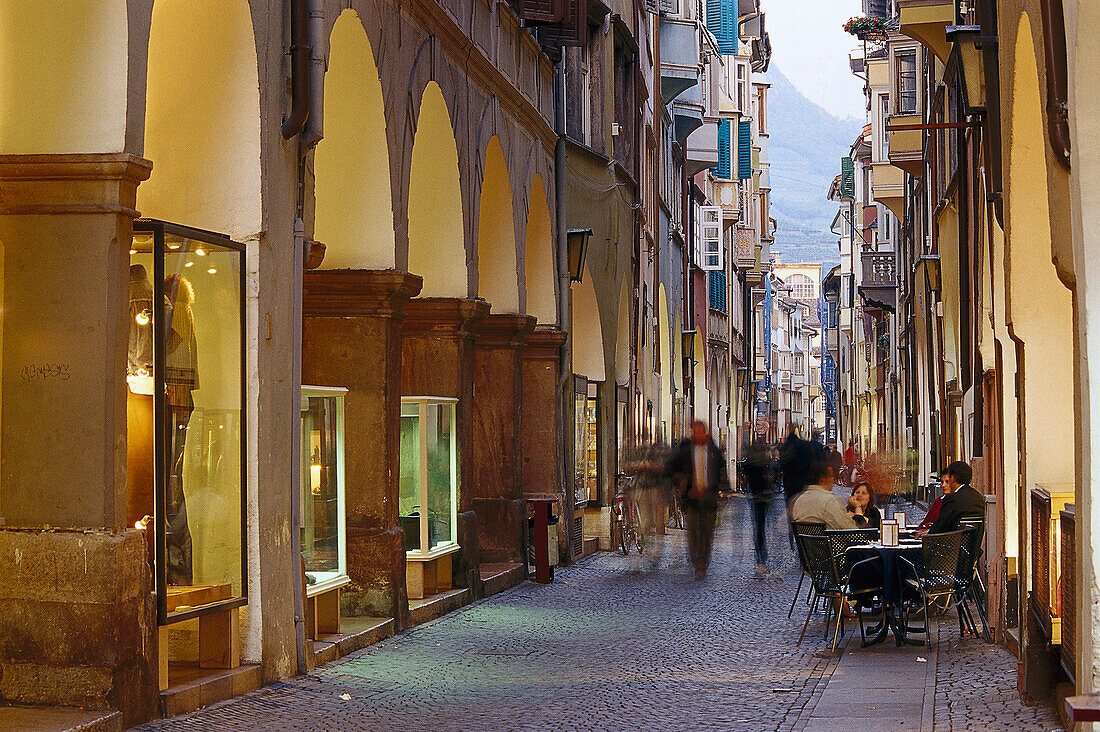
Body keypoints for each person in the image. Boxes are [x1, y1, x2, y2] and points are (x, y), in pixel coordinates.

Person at [668, 421, 730, 579]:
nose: (699, 435)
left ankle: (703, 562)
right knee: (694, 534)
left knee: (707, 533)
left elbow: (721, 472)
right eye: (696, 432)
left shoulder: (714, 452)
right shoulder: (686, 452)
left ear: (705, 433)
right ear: (693, 434)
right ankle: (697, 562)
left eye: (701, 432)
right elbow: (672, 469)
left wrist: (722, 491)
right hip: (692, 499)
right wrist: (681, 484)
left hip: (709, 499)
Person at [788, 445, 858, 530]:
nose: (832, 480)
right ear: (822, 479)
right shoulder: (830, 501)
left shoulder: (796, 501)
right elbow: (850, 530)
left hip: (805, 543)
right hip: (830, 542)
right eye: (831, 476)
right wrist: (859, 511)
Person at [923, 461, 983, 535]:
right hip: (973, 544)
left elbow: (940, 526)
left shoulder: (952, 499)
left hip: (952, 542)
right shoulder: (978, 497)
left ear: (953, 478)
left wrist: (927, 532)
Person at [743, 438, 773, 577]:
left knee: (759, 526)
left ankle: (760, 555)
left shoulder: (750, 462)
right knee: (762, 526)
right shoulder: (762, 462)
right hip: (763, 496)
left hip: (756, 497)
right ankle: (763, 556)